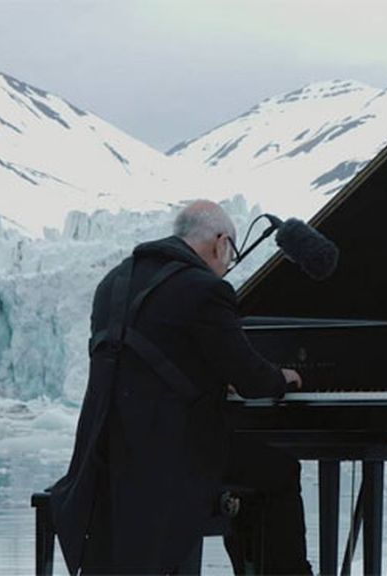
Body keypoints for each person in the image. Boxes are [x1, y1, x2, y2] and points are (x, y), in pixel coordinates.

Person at [50, 200, 311, 575]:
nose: (228, 263)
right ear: (221, 243)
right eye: (231, 253)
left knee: (244, 472)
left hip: (105, 455)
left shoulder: (113, 283)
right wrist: (282, 377)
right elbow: (253, 380)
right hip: (170, 459)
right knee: (280, 471)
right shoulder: (204, 289)